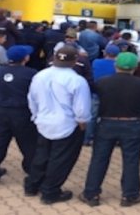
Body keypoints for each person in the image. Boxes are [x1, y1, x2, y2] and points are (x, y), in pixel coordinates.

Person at [80, 52, 140, 207]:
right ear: (135, 67)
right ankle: (130, 195)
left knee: (99, 159)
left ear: (115, 65)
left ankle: (91, 194)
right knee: (131, 161)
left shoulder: (102, 82)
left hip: (107, 123)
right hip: (133, 124)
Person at [24, 46, 91, 205]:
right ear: (75, 61)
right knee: (60, 160)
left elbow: (31, 99)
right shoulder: (77, 80)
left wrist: (36, 115)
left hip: (43, 122)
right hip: (67, 125)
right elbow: (82, 108)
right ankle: (50, 192)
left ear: (54, 58)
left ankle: (32, 186)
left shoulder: (40, 75)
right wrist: (82, 122)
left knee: (41, 156)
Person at [0, 45, 38, 188]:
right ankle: (33, 173)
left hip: (1, 112)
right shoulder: (31, 74)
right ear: (25, 58)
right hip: (23, 112)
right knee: (29, 145)